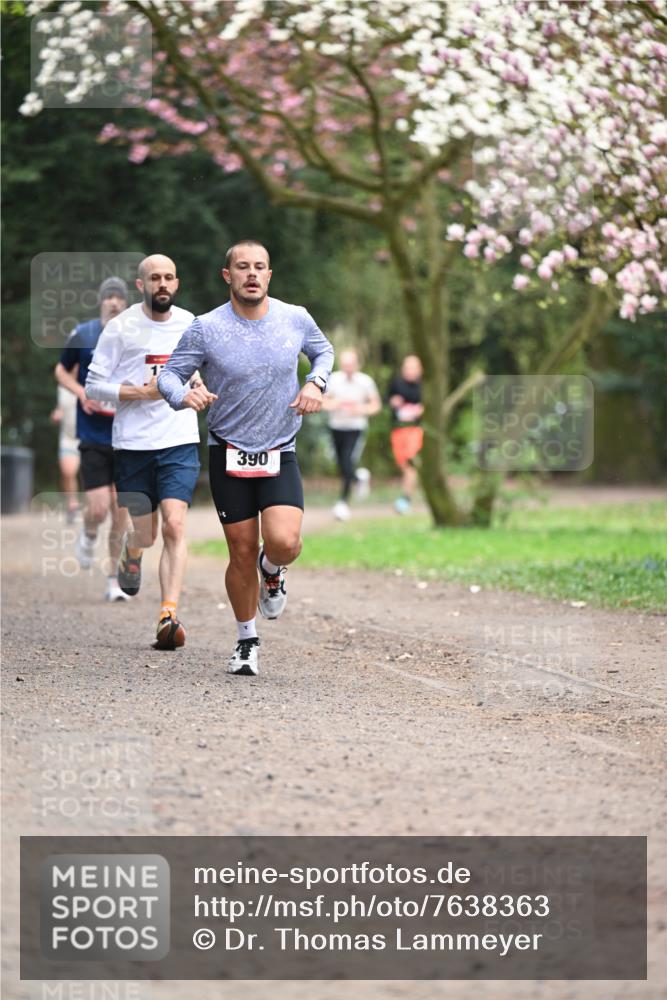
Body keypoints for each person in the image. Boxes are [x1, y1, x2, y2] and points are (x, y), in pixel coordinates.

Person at [158, 239, 334, 677]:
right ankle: (246, 640)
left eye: (259, 267)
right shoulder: (205, 328)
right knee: (239, 550)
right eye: (242, 267)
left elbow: (324, 351)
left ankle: (271, 569)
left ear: (269, 275)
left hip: (279, 447)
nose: (251, 274)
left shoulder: (295, 318)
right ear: (228, 275)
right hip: (228, 450)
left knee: (285, 542)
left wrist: (316, 383)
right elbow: (170, 376)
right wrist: (184, 397)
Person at [85, 255, 202, 650]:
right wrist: (141, 392)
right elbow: (93, 386)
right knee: (147, 535)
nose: (162, 284)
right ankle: (132, 551)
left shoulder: (190, 324)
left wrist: (198, 386)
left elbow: (198, 371)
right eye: (155, 278)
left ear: (177, 283)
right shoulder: (120, 327)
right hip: (133, 444)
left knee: (175, 525)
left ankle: (168, 614)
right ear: (141, 285)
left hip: (179, 439)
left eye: (169, 277)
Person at [55, 277, 130, 599]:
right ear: (101, 301)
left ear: (125, 303)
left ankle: (114, 580)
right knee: (98, 509)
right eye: (108, 297)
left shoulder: (135, 335)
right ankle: (87, 533)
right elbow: (61, 371)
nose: (113, 301)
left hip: (128, 436)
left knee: (120, 511)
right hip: (93, 434)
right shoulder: (83, 334)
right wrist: (81, 392)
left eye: (119, 297)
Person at [322, 347, 381, 521]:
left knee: (348, 461)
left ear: (357, 364)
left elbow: (375, 405)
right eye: (345, 364)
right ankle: (359, 478)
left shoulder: (366, 382)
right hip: (336, 427)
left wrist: (360, 409)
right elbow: (323, 402)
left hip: (356, 428)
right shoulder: (333, 379)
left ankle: (343, 503)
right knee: (341, 464)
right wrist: (334, 404)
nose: (348, 367)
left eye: (351, 364)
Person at [388, 354, 424, 514]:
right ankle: (407, 496)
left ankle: (406, 499)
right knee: (403, 465)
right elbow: (388, 400)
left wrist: (421, 410)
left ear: (420, 370)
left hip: (415, 430)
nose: (410, 371)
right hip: (398, 429)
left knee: (410, 463)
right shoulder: (396, 383)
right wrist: (393, 402)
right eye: (407, 367)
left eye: (413, 368)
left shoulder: (425, 387)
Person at [50, 383, 81, 523]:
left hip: (88, 437)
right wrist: (57, 413)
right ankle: (72, 504)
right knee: (68, 472)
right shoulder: (62, 388)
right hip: (68, 439)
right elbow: (60, 407)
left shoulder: (90, 382)